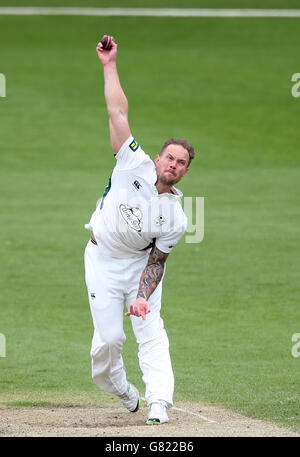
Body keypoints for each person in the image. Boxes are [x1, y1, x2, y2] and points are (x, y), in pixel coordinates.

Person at [84, 35, 195, 425]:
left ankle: (159, 402)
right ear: (160, 156)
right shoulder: (132, 163)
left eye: (182, 163)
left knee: (151, 331)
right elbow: (118, 112)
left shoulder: (177, 217)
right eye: (170, 157)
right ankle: (120, 388)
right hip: (101, 258)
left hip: (138, 269)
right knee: (110, 341)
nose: (173, 165)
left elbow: (157, 261)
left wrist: (143, 297)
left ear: (185, 171)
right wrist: (109, 65)